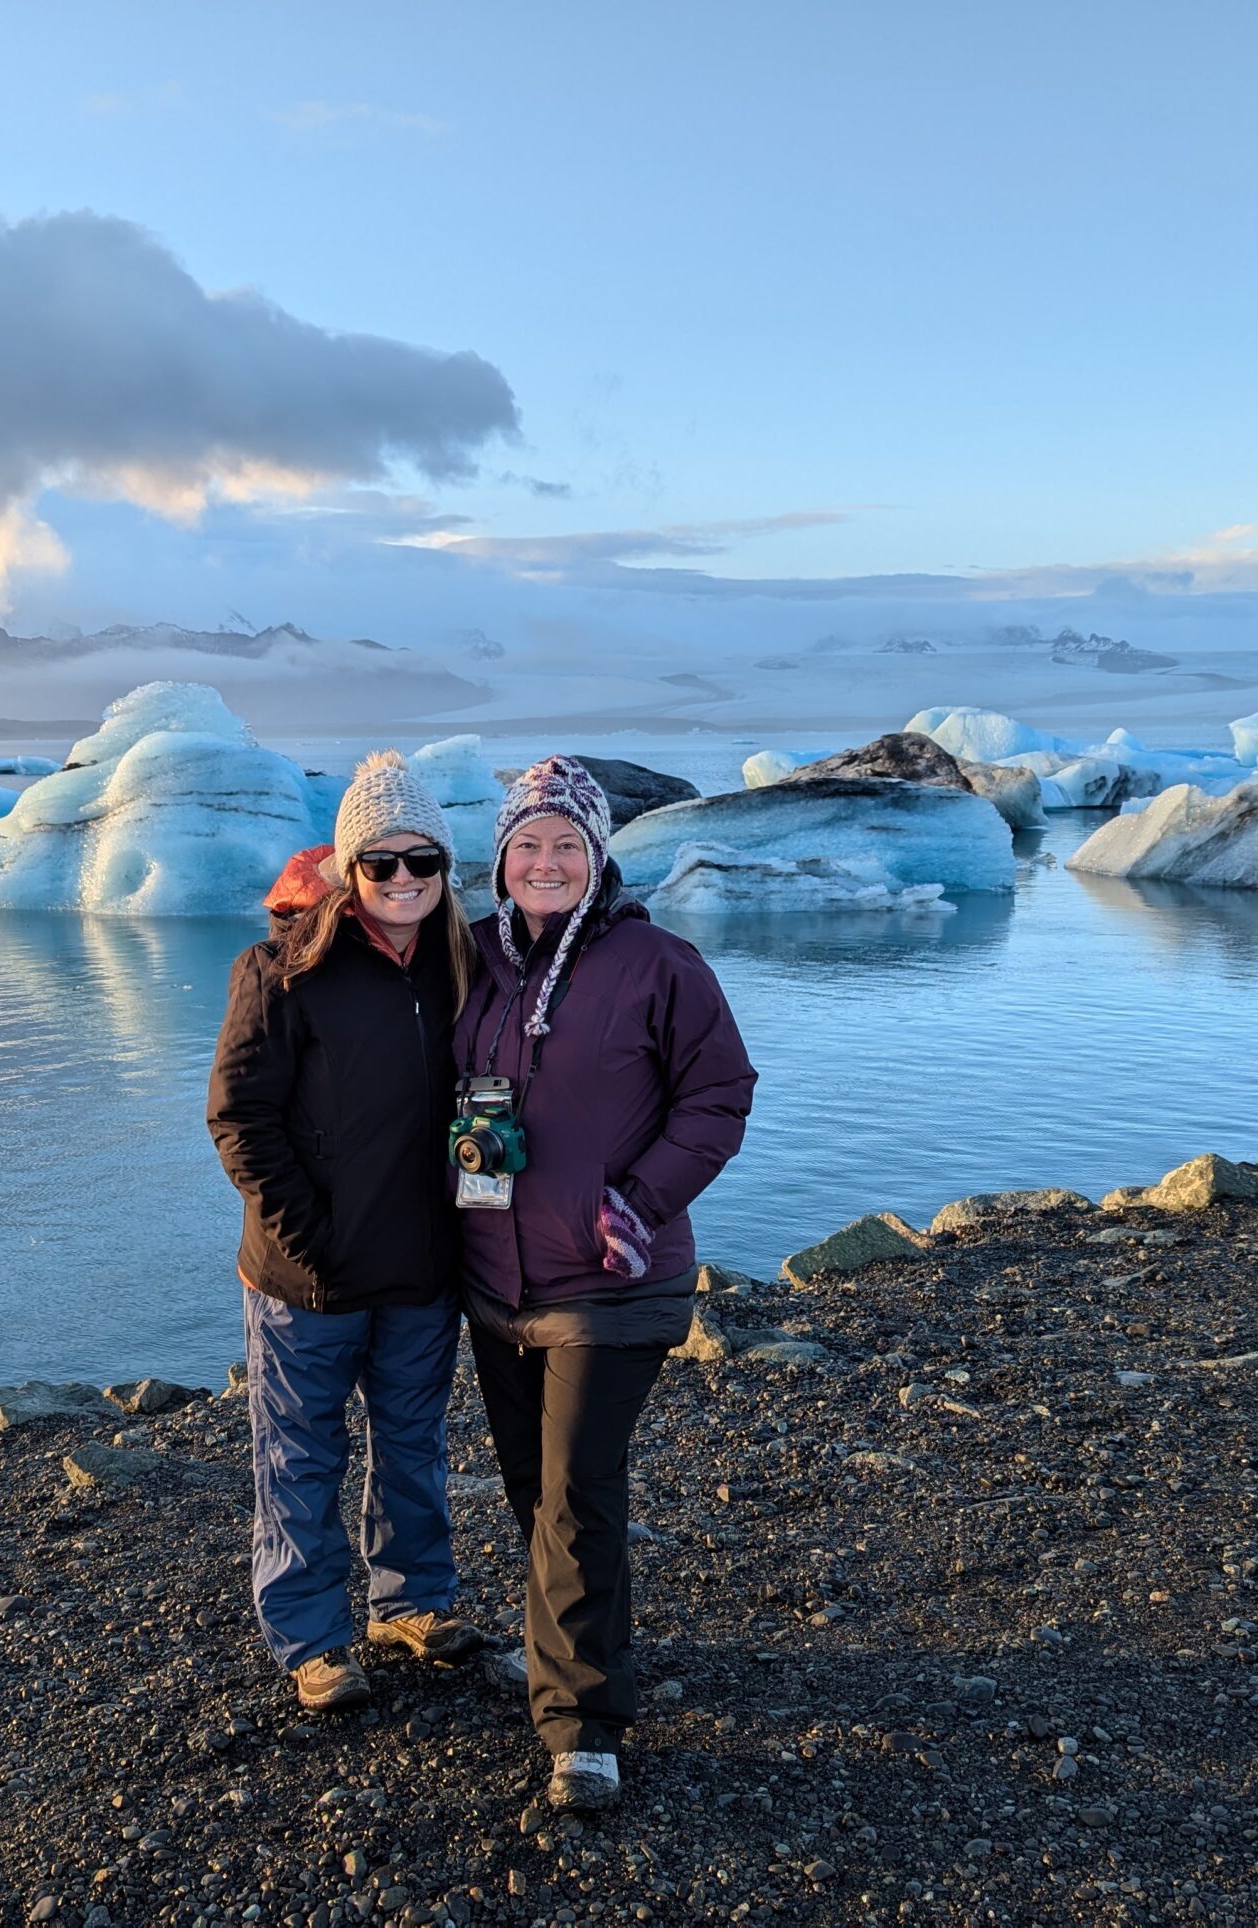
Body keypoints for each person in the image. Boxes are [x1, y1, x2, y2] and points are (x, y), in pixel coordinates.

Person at [454, 755, 756, 1809]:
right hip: (497, 1280)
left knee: (577, 1488)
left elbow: (720, 1093)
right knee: (538, 1493)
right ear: (501, 857)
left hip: (612, 1277)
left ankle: (583, 1725)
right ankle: (562, 1659)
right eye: (528, 843)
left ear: (597, 856)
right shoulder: (477, 959)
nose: (545, 860)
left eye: (566, 844)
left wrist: (642, 1199)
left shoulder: (658, 963)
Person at [207, 751, 489, 1713]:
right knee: (300, 1454)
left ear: (447, 869)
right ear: (348, 869)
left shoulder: (464, 965)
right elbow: (240, 1120)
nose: (405, 880)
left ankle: (408, 1601)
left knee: (412, 1442)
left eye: (425, 862)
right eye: (382, 864)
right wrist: (307, 1237)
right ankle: (311, 1638)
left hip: (422, 1261)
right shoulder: (283, 968)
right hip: (308, 1275)